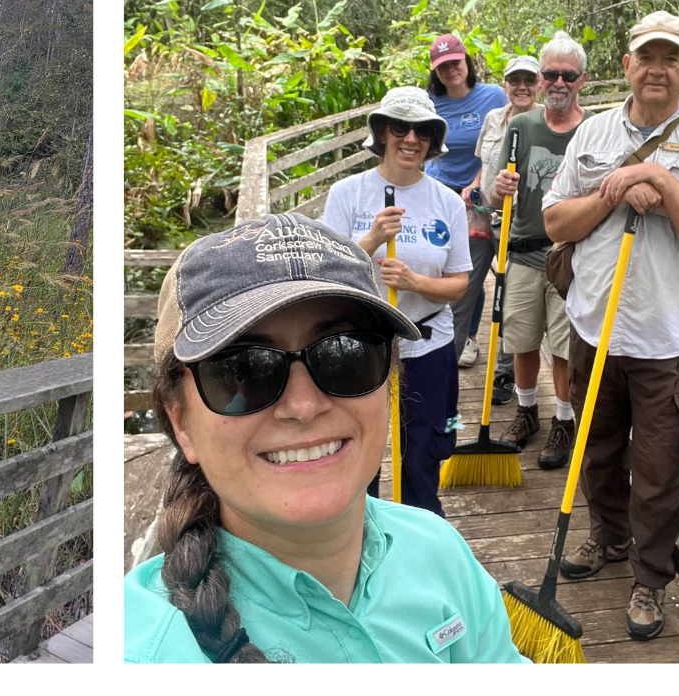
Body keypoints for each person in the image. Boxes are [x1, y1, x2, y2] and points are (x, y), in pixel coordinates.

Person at [125, 213, 525, 661]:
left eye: (346, 354)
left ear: (388, 380)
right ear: (181, 423)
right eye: (244, 370)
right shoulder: (146, 653)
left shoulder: (439, 551)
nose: (303, 406)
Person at [543, 11, 679, 642]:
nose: (657, 69)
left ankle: (649, 579)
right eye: (646, 57)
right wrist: (614, 190)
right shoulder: (594, 134)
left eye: (670, 58)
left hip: (668, 340)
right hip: (594, 327)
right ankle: (606, 537)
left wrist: (658, 177)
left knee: (657, 469)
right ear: (626, 65)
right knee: (596, 452)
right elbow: (555, 223)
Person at [321, 87, 469, 514]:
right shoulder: (348, 194)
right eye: (400, 127)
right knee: (358, 447)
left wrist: (415, 281)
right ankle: (358, 532)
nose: (411, 139)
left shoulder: (447, 202)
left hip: (429, 342)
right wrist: (369, 241)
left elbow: (459, 283)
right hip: (362, 345)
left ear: (432, 139)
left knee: (424, 447)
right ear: (383, 132)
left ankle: (422, 532)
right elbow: (327, 273)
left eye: (422, 130)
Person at [476, 35, 590, 469]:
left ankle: (564, 421)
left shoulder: (593, 129)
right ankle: (526, 413)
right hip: (521, 251)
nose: (558, 82)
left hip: (571, 256)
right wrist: (498, 188)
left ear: (582, 81)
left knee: (563, 348)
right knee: (521, 341)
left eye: (568, 75)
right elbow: (491, 192)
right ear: (542, 80)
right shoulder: (520, 127)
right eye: (551, 74)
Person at [419, 34, 507, 365]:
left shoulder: (493, 96)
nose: (451, 70)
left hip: (481, 197)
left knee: (471, 268)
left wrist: (479, 180)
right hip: (441, 194)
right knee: (449, 268)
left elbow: (503, 142)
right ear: (435, 70)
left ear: (466, 61)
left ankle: (469, 336)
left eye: (455, 62)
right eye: (443, 66)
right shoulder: (430, 102)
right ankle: (440, 336)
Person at [471, 53, 540, 398]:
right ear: (505, 85)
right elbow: (485, 165)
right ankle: (456, 361)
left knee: (508, 298)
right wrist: (473, 189)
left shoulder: (544, 124)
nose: (522, 87)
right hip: (486, 218)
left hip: (522, 228)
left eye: (529, 80)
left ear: (539, 85)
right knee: (477, 290)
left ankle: (504, 372)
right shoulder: (493, 118)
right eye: (516, 81)